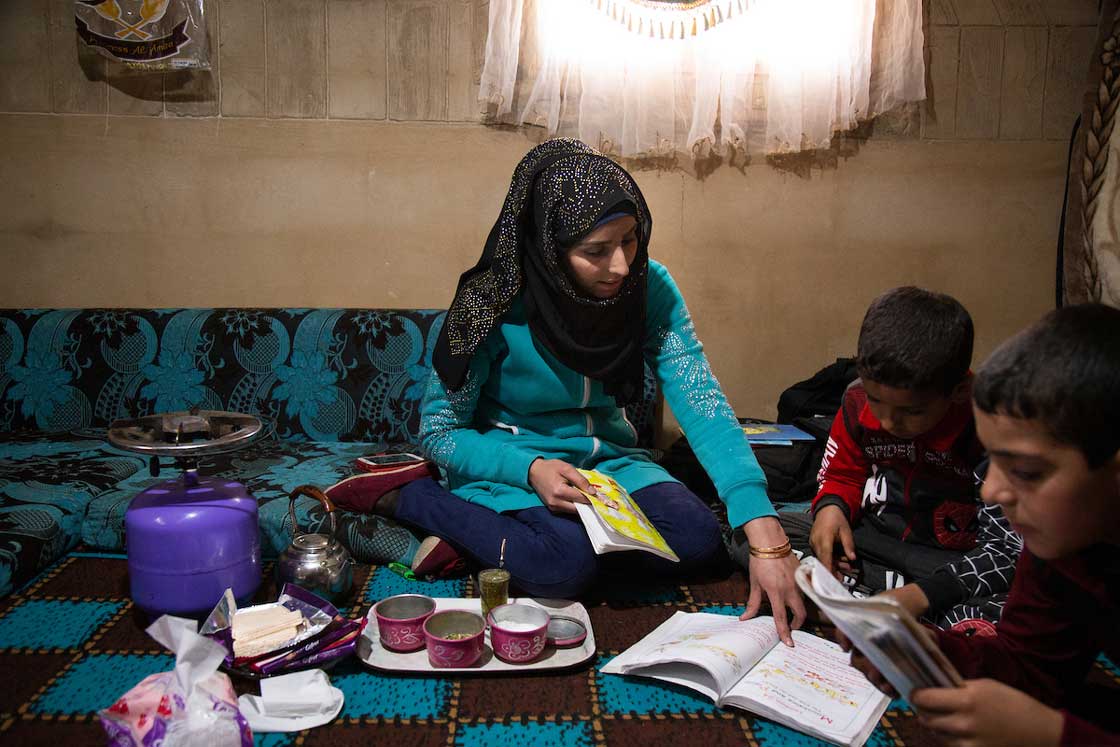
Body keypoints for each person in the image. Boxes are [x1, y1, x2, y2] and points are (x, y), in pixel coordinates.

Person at [377, 138, 805, 643]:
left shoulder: (648, 286)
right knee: (562, 570)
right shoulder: (490, 302)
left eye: (629, 240)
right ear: (548, 249)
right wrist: (529, 469)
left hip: (608, 465)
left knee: (698, 539)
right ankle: (411, 499)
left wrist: (764, 529)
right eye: (595, 252)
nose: (621, 266)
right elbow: (441, 434)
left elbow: (700, 398)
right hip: (511, 465)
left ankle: (523, 543)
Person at [848, 303, 1120, 747]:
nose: (991, 491)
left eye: (1027, 472)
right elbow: (1033, 669)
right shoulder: (1061, 542)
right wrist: (931, 652)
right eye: (992, 461)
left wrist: (1050, 735)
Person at [767, 287, 1021, 630]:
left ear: (958, 391)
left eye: (912, 411)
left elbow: (1006, 549)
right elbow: (843, 473)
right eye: (876, 400)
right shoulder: (856, 399)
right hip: (873, 541)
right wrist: (831, 510)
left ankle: (862, 602)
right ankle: (885, 604)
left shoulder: (987, 426)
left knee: (1022, 603)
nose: (888, 421)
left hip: (947, 561)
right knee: (767, 535)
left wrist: (926, 592)